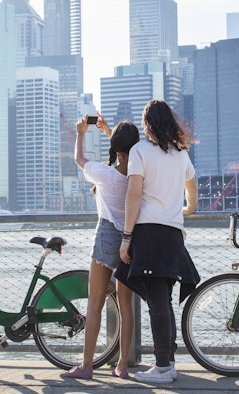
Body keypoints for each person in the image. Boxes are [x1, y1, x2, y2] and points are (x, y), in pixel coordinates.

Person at [115, 100, 199, 384]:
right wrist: (187, 209)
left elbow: (134, 194)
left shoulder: (140, 151)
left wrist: (126, 238)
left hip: (148, 232)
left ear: (147, 124)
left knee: (157, 302)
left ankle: (163, 367)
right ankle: (169, 362)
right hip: (173, 233)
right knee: (162, 299)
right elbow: (192, 186)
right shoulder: (180, 153)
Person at [61, 114, 139, 380]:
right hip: (131, 239)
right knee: (126, 306)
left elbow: (79, 160)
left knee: (94, 304)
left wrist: (82, 133)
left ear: (116, 149)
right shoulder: (140, 176)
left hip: (107, 236)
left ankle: (86, 366)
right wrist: (111, 133)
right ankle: (122, 366)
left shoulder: (105, 175)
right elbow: (129, 155)